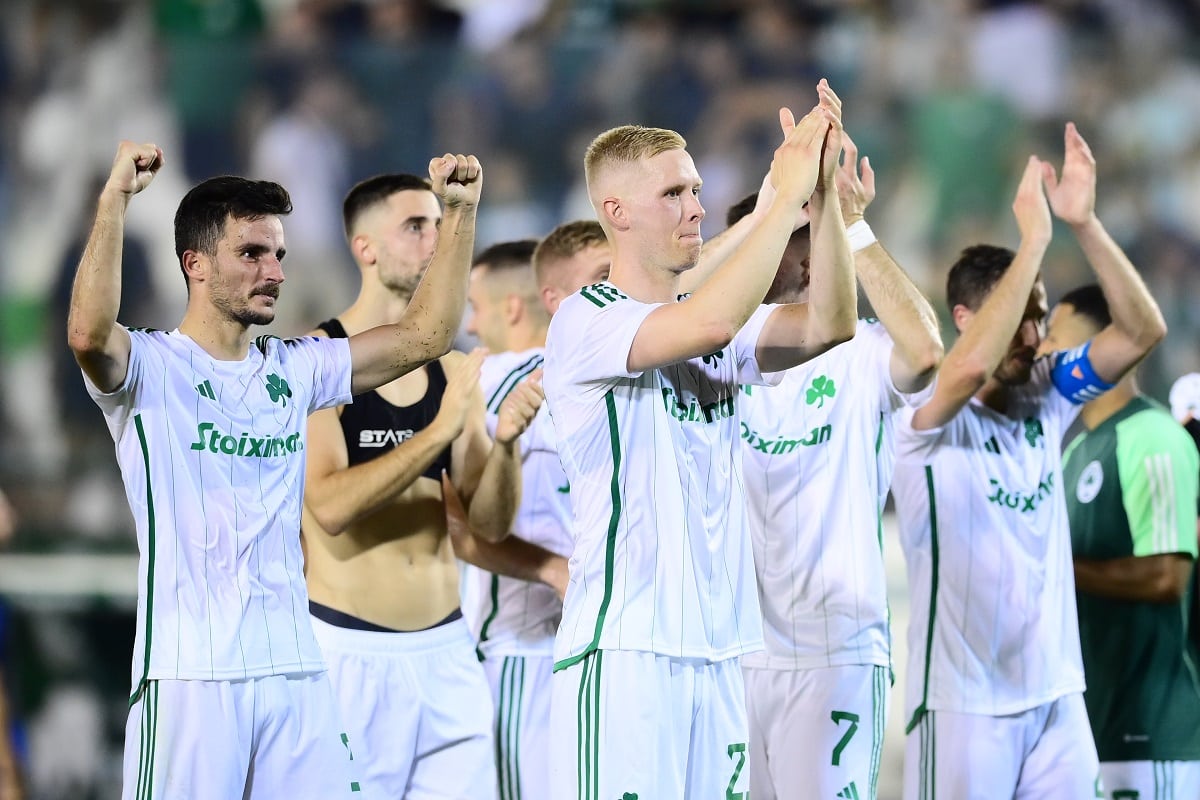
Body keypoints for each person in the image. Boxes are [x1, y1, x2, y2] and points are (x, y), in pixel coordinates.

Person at [67, 141, 483, 799]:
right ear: (195, 264)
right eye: (252, 254)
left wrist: (459, 213)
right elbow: (89, 335)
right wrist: (115, 199)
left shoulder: (295, 367)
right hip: (192, 677)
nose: (274, 272)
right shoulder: (151, 367)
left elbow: (425, 336)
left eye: (279, 255)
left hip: (296, 671)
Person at [543, 80, 859, 797]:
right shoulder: (587, 319)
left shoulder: (711, 321)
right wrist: (779, 198)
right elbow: (709, 323)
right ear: (616, 212)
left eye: (695, 190)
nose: (695, 207)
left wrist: (823, 205)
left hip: (717, 652)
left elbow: (830, 323)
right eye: (673, 194)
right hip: (624, 652)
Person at [890, 123, 1168, 799]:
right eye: (1018, 315)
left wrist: (1084, 224)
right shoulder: (920, 414)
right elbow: (969, 369)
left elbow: (1141, 332)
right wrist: (1034, 241)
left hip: (1056, 697)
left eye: (1039, 316)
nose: (1034, 336)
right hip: (963, 708)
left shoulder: (1047, 392)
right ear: (965, 318)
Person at [300, 173, 541, 799]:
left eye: (439, 224)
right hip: (350, 654)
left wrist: (505, 446)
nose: (434, 240)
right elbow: (329, 507)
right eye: (414, 226)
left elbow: (488, 523)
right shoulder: (315, 361)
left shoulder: (453, 368)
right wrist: (437, 434)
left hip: (447, 651)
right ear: (365, 248)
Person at [735, 134, 943, 800]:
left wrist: (851, 224)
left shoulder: (858, 353)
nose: (809, 259)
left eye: (814, 243)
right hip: (730, 651)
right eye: (794, 242)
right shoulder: (708, 356)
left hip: (836, 650)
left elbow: (926, 351)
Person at [1041, 284, 1200, 799]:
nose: (1043, 350)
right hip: (1092, 731)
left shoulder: (1153, 435)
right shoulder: (1076, 450)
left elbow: (1166, 576)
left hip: (1150, 737)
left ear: (1105, 344)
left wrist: (1053, 567)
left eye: (1055, 337)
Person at [453, 236, 576, 800]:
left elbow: (458, 527)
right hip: (603, 647)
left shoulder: (483, 381)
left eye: (475, 308)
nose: (471, 326)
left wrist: (550, 568)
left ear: (511, 307)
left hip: (517, 655)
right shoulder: (605, 373)